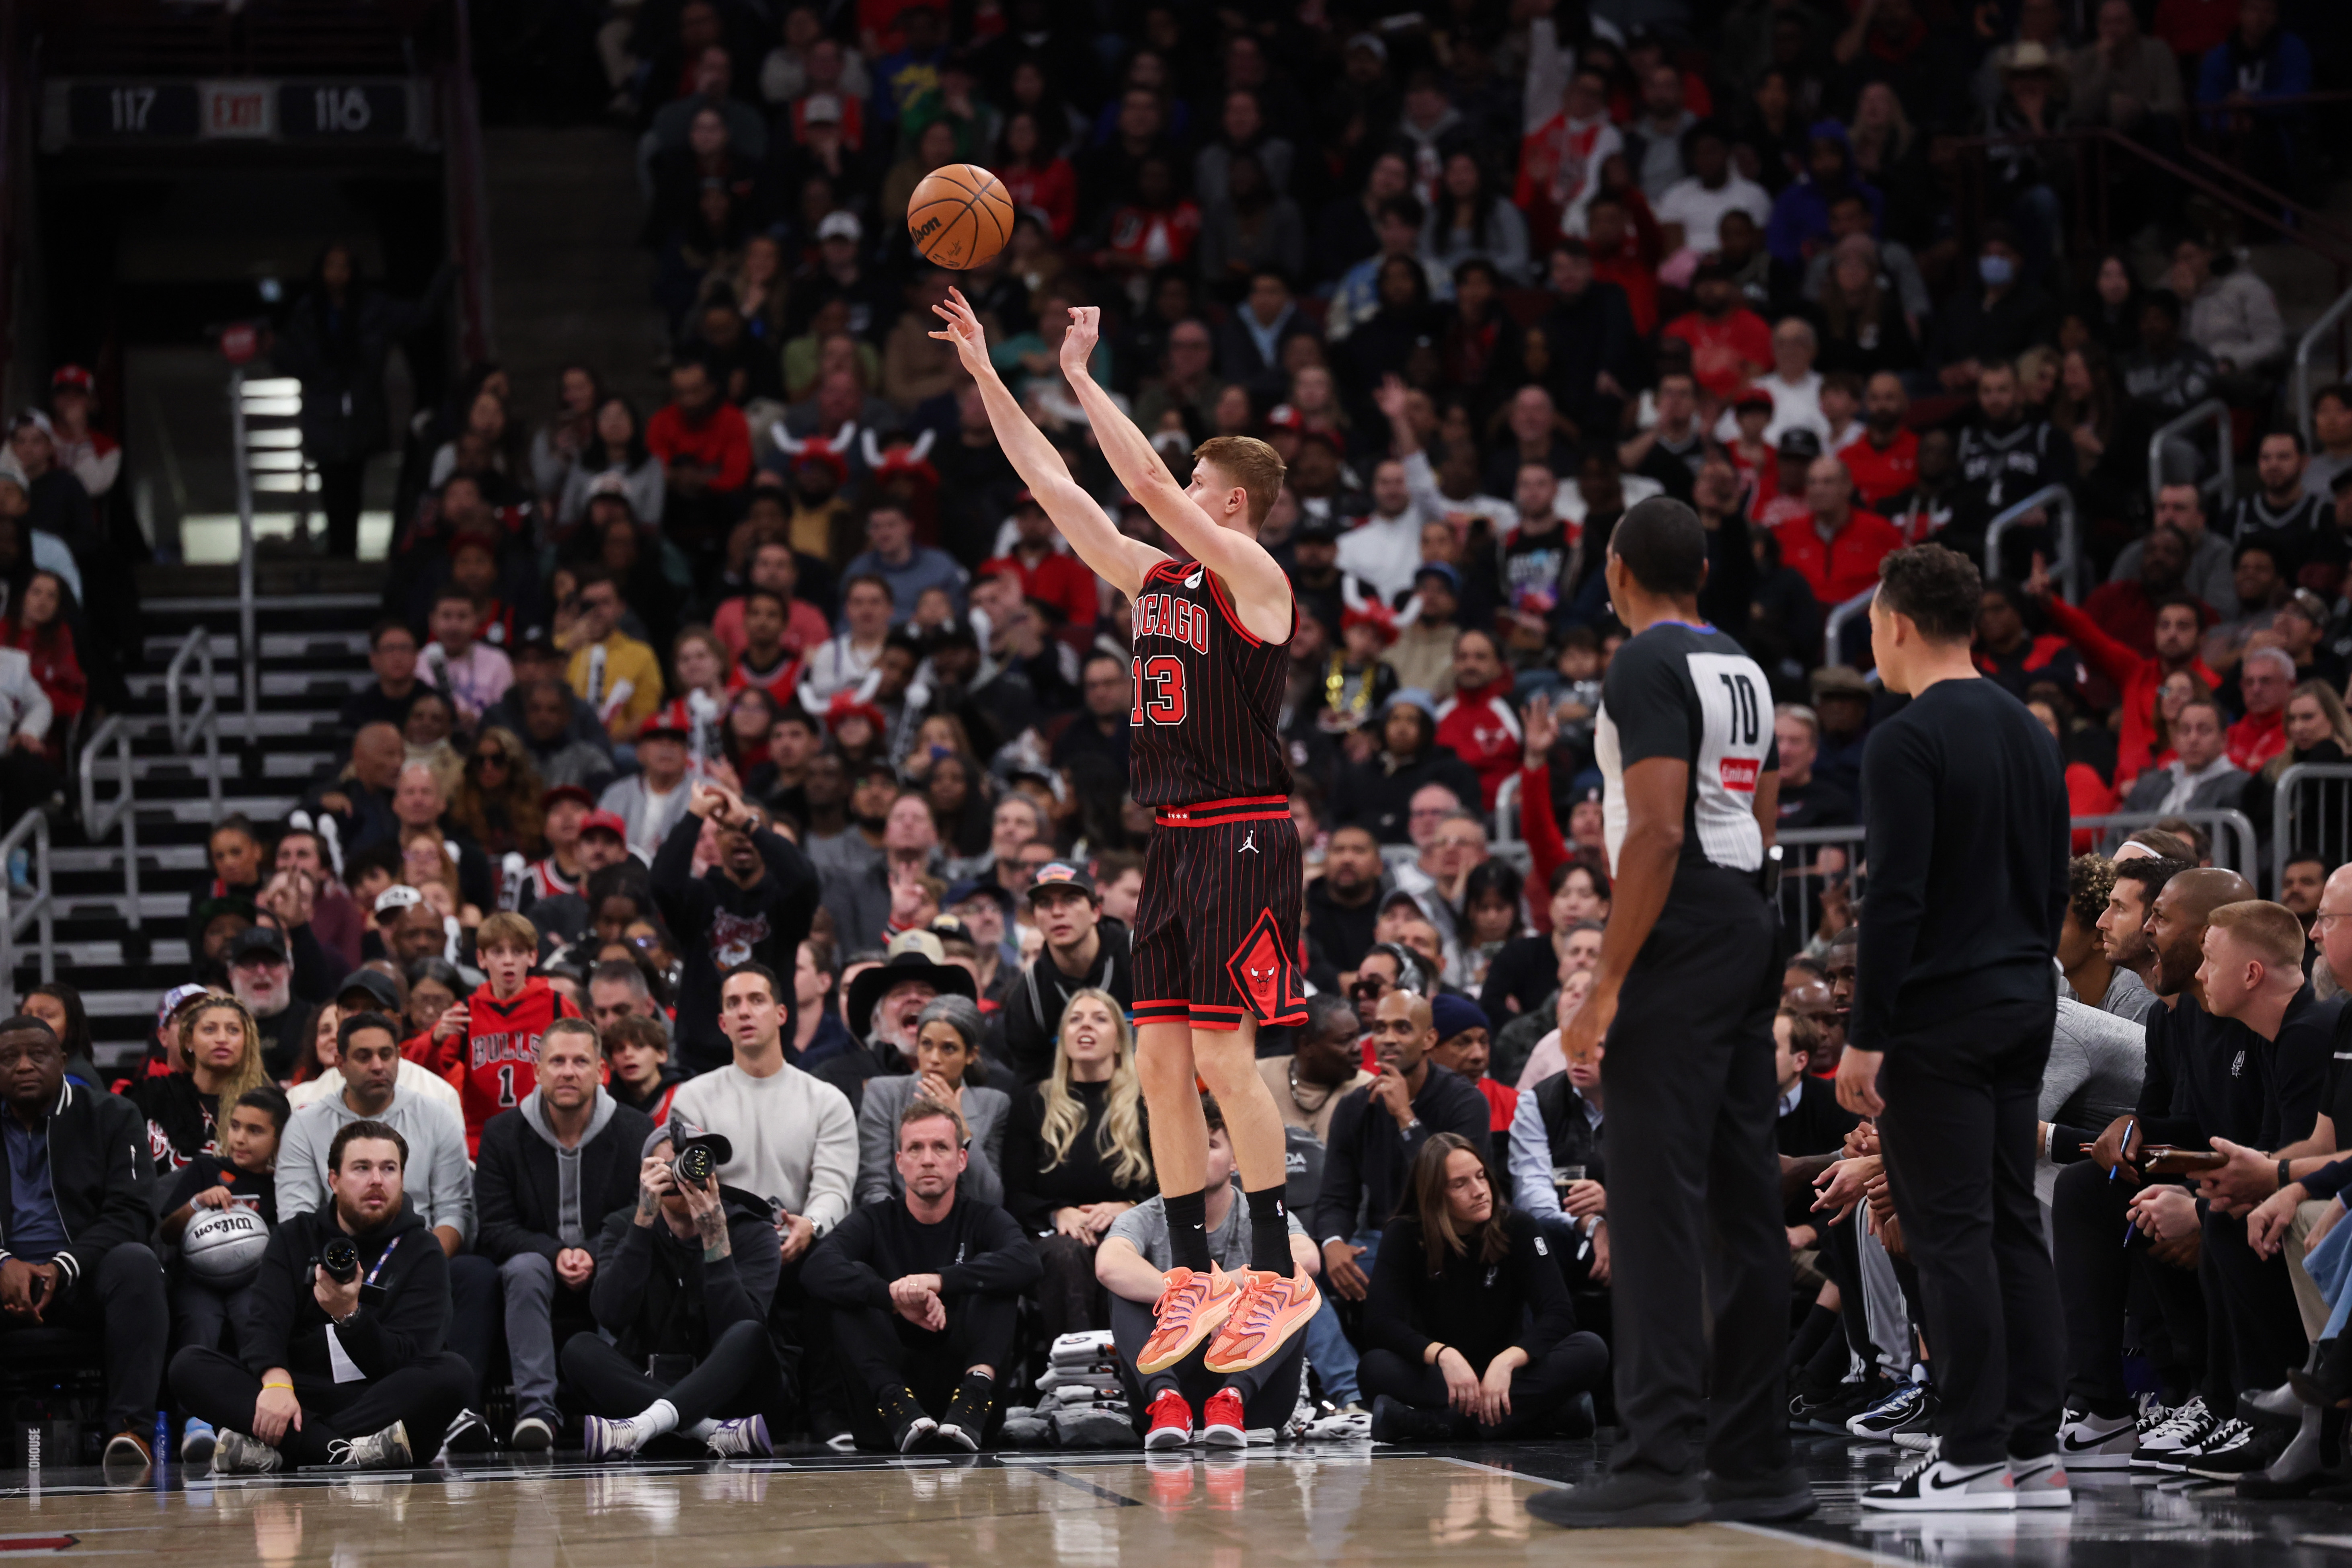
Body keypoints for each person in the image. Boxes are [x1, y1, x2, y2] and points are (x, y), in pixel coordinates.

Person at [933, 286, 1323, 1375]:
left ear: (1231, 505)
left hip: (1246, 833)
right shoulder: (1154, 580)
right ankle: (1196, 1266)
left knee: (1224, 1058)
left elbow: (1142, 479)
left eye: (1200, 483)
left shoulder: (1256, 582)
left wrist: (1081, 379)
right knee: (1158, 1060)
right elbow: (1055, 484)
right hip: (1172, 841)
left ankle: (1278, 1265)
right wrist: (986, 377)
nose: (1175, 492)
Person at [1527, 498, 1797, 1529]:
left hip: (1677, 921)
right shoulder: (1742, 661)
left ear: (1616, 569)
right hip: (1743, 915)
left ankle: (1655, 1458)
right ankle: (1754, 1460)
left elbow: (1650, 832)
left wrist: (1604, 987)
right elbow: (1761, 812)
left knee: (1646, 1200)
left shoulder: (1641, 663)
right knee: (1740, 1201)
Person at [1837, 544, 2072, 1511]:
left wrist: (1863, 1032)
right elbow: (2056, 879)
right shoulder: (2028, 729)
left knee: (1951, 1234)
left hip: (1940, 1012)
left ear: (1894, 623)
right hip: (2025, 998)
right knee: (2013, 1222)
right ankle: (2032, 1449)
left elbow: (1892, 897)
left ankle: (1972, 1452)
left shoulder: (1905, 736)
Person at [171, 1117, 474, 1472]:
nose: (377, 1180)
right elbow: (264, 1327)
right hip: (297, 1397)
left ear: (402, 1179)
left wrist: (351, 1317)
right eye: (362, 1168)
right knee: (187, 1366)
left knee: (453, 1373)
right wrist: (278, 1385)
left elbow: (412, 1356)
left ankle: (296, 1450)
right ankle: (348, 1453)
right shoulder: (293, 1237)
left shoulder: (423, 1250)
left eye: (389, 1169)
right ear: (334, 1180)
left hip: (381, 1402)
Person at [804, 1098, 1041, 1451]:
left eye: (940, 1147)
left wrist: (939, 1280)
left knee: (1000, 1277)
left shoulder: (983, 1218)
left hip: (971, 1406)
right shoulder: (874, 1219)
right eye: (915, 1148)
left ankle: (974, 1395)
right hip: (887, 1408)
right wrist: (891, 1298)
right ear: (899, 1162)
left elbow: (1027, 1262)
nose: (928, 1159)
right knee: (850, 1280)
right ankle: (895, 1401)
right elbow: (816, 1269)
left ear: (962, 1160)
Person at [1098, 1093, 1320, 1447]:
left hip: (1255, 1395)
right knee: (1124, 1290)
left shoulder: (1258, 1216)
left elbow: (1307, 1258)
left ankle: (1231, 1398)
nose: (1195, 1154)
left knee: (1292, 1282)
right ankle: (1167, 1399)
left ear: (1235, 1160)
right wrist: (1198, 1302)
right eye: (1187, 1144)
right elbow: (1109, 1265)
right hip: (1169, 1391)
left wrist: (1218, 1299)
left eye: (1210, 1145)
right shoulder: (1146, 1216)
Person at [473, 1017, 654, 1450]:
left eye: (580, 1061)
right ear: (537, 1072)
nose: (568, 1071)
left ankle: (620, 1411)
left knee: (621, 1262)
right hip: (536, 1262)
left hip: (607, 1256)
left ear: (600, 1072)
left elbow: (640, 1212)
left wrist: (592, 1252)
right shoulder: (502, 1134)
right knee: (526, 1268)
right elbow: (495, 1227)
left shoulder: (636, 1131)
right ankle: (537, 1413)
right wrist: (556, 1253)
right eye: (557, 1061)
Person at [1360, 1133, 1610, 1441]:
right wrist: (1443, 1356)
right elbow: (1380, 1323)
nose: (1480, 1191)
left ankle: (1440, 1425)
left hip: (1511, 1375)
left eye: (1481, 1176)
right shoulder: (1405, 1234)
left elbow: (1558, 1314)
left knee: (1591, 1349)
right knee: (1374, 1367)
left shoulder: (1518, 1227)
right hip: (1443, 1377)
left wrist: (1508, 1361)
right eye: (1460, 1184)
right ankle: (1540, 1421)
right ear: (1435, 1195)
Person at [564, 1121, 790, 1459]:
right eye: (671, 1166)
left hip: (735, 1403)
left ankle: (644, 1426)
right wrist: (643, 1221)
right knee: (578, 1348)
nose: (685, 1174)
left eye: (695, 1161)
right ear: (646, 1176)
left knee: (751, 1334)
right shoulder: (626, 1226)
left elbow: (741, 1330)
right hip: (725, 1428)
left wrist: (715, 1237)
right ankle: (707, 1432)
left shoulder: (752, 1230)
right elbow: (611, 1314)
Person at [0, 1014, 168, 1471]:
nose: (22, 1066)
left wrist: (61, 1266)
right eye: (8, 1058)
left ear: (62, 1060)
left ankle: (129, 1434)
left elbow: (132, 1213)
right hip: (3, 1280)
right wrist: (4, 1263)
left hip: (84, 1278)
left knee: (137, 1265)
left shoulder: (111, 1115)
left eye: (37, 1055)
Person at [669, 964, 858, 1265]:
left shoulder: (828, 1101)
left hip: (806, 1255)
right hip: (722, 1254)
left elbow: (834, 1189)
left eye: (757, 1000)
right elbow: (691, 1191)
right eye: (733, 1003)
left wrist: (811, 1225)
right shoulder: (693, 1099)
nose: (744, 1012)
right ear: (722, 1023)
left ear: (782, 1014)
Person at [1312, 988, 1490, 1301]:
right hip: (1381, 1239)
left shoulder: (1466, 1102)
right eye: (1380, 1029)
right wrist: (1334, 1244)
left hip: (1454, 1237)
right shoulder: (1354, 1107)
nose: (1388, 1038)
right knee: (1303, 1276)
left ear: (1429, 1039)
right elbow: (1336, 1198)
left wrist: (1406, 1119)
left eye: (1402, 1028)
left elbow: (1454, 1190)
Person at [652, 781, 822, 1075]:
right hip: (699, 1063)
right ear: (716, 839)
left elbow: (806, 882)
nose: (742, 837)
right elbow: (661, 882)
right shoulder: (698, 898)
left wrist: (745, 821)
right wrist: (695, 815)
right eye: (730, 829)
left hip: (772, 1061)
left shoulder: (786, 903)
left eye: (751, 829)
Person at [417, 911, 578, 1159]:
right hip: (481, 1146)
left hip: (545, 1139)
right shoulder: (467, 1011)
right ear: (481, 959)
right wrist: (434, 1040)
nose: (508, 961)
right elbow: (422, 1077)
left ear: (533, 956)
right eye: (498, 952)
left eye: (517, 952)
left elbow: (591, 1064)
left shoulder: (557, 1006)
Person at [855, 995, 1008, 1208]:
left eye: (948, 1048)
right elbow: (872, 1185)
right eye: (927, 1045)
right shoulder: (883, 1093)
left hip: (965, 1231)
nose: (934, 1058)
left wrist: (962, 1127)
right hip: (895, 1228)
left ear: (971, 1055)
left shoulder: (994, 1104)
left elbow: (990, 1199)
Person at [995, 861, 1133, 1085]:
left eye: (1070, 900)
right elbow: (1032, 1088)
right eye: (1045, 903)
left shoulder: (1142, 957)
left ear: (1096, 911)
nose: (1058, 912)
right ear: (1034, 918)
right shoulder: (1029, 997)